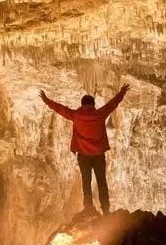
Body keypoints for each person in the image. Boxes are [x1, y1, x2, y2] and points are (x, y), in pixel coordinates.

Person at [39, 83, 129, 214]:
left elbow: (60, 109)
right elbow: (112, 104)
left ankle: (88, 208)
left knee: (86, 181)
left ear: (82, 104)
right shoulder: (100, 114)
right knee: (102, 182)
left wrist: (46, 100)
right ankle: (106, 209)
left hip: (83, 156)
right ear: (93, 104)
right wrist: (122, 93)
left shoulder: (76, 115)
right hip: (98, 155)